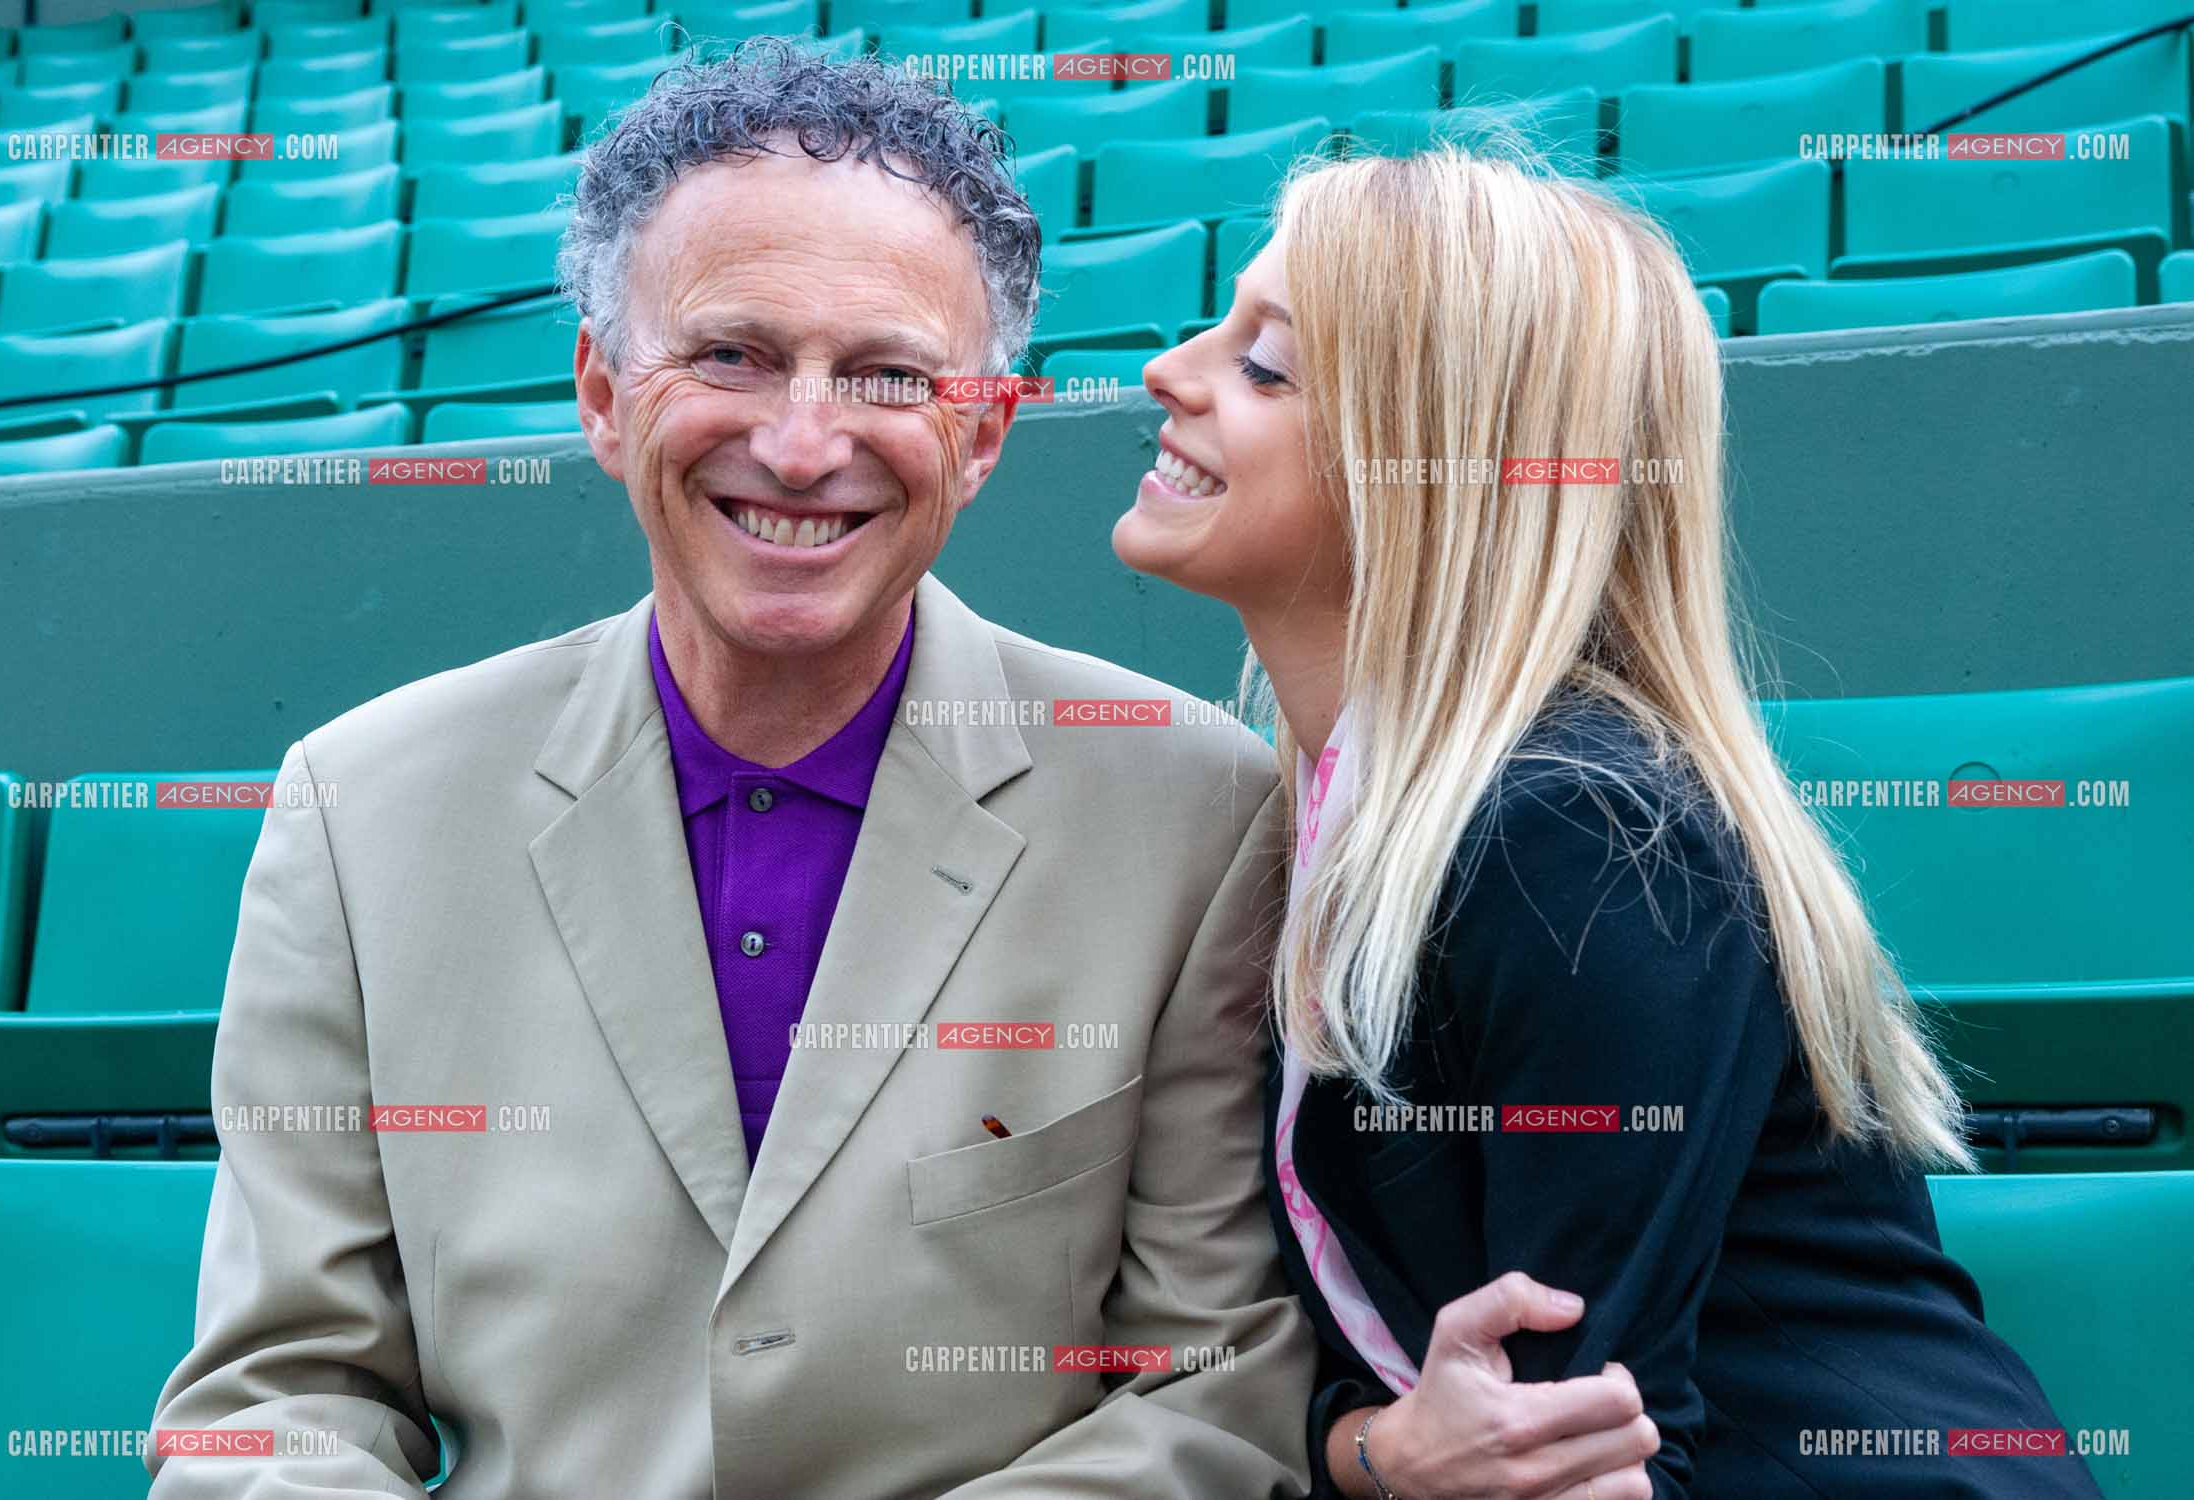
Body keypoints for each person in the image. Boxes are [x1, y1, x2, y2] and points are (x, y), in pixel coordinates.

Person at [146, 43, 1321, 1498]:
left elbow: (1207, 1387)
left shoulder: (1193, 814)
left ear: (983, 436)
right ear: (598, 392)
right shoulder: (356, 811)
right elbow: (278, 1399)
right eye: (731, 355)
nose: (802, 439)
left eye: (887, 372)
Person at [1114, 147, 2106, 1500]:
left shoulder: (1571, 838)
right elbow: (1407, 1414)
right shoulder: (1338, 806)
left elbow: (1586, 1456)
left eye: (1266, 366)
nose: (1171, 370)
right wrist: (1371, 1455)